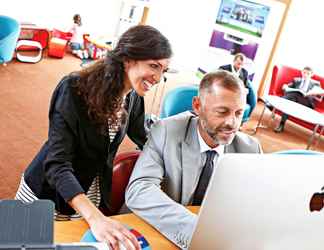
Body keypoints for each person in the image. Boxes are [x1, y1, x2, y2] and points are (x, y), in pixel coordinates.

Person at [15, 25, 172, 250]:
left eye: (164, 70)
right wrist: (95, 217)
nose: (158, 77)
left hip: (88, 195)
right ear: (128, 59)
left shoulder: (133, 97)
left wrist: (177, 153)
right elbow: (57, 164)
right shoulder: (74, 88)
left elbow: (143, 137)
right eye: (154, 66)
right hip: (47, 194)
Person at [125, 70, 262, 249]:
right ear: (197, 106)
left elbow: (255, 205)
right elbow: (139, 190)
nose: (232, 123)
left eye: (238, 113)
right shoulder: (166, 131)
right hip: (154, 235)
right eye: (222, 112)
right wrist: (198, 232)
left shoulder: (250, 149)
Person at [274, 66, 321, 133]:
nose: (305, 75)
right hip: (294, 100)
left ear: (312, 74)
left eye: (308, 73)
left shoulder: (316, 83)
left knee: (294, 95)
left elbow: (319, 94)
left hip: (307, 102)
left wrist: (312, 93)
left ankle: (278, 102)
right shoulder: (296, 80)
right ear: (301, 72)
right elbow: (287, 88)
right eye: (304, 73)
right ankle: (281, 124)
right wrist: (285, 86)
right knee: (291, 100)